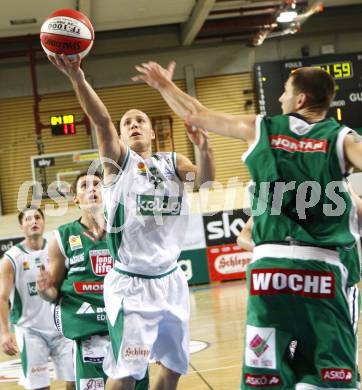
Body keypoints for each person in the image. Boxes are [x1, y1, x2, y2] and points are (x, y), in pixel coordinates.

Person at [134, 62, 362, 389]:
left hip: (269, 272)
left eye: (285, 92)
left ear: (300, 100)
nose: (281, 98)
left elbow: (196, 113)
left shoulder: (263, 127)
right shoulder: (342, 138)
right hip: (322, 271)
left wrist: (164, 86)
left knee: (265, 377)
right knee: (331, 376)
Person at [47, 53, 215, 390]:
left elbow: (206, 184)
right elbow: (101, 119)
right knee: (126, 373)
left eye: (140, 120)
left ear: (153, 131)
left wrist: (206, 150)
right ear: (122, 137)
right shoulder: (117, 165)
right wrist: (78, 78)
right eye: (127, 123)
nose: (133, 124)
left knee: (173, 368)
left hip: (171, 281)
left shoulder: (172, 162)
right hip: (131, 286)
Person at [36, 171, 149, 390]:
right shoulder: (63, 236)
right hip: (88, 331)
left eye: (97, 184)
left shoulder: (126, 228)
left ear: (106, 192)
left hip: (126, 327)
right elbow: (53, 294)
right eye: (84, 186)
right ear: (76, 199)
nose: (92, 189)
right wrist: (44, 289)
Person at [0, 206, 75, 390]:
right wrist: (4, 333)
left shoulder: (55, 249)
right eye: (28, 219)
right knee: (39, 386)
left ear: (43, 222)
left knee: (76, 381)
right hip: (30, 330)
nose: (33, 221)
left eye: (37, 217)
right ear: (21, 226)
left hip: (60, 328)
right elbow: (2, 298)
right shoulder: (11, 258)